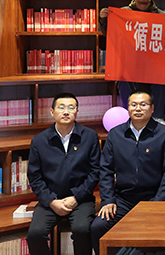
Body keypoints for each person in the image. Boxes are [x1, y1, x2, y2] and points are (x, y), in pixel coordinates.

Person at [91, 90, 165, 255]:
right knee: (98, 227)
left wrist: (158, 202)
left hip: (152, 199)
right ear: (128, 108)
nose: (138, 109)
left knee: (163, 234)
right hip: (123, 199)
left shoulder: (164, 133)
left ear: (152, 108)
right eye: (134, 105)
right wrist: (108, 200)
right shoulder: (116, 134)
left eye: (143, 104)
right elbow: (106, 170)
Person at [26, 93, 100, 255]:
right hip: (51, 200)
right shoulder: (39, 141)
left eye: (71, 108)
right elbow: (34, 176)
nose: (66, 112)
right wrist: (51, 201)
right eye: (61, 107)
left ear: (77, 111)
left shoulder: (90, 137)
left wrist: (76, 198)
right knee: (35, 234)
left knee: (82, 229)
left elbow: (95, 172)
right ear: (52, 111)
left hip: (81, 199)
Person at [99, 0, 165, 123]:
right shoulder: (122, 13)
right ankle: (132, 116)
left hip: (153, 63)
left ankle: (158, 118)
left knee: (163, 77)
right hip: (130, 63)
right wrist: (103, 19)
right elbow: (110, 35)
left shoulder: (161, 15)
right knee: (122, 78)